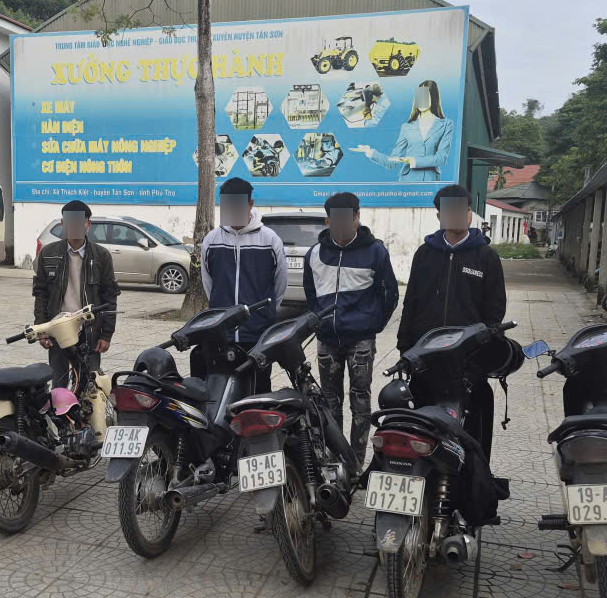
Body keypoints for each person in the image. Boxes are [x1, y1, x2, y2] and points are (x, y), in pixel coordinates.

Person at [397, 183, 507, 459]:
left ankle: (474, 479)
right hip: (426, 357)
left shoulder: (486, 257)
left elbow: (495, 312)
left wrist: (483, 351)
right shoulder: (425, 254)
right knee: (423, 426)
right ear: (440, 216)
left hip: (467, 361)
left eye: (464, 210)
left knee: (471, 426)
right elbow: (411, 303)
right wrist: (405, 347)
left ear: (470, 214)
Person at [303, 192, 399, 461]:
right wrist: (319, 321)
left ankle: (355, 461)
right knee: (329, 402)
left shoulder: (375, 252)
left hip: (361, 341)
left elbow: (389, 294)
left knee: (360, 400)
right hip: (327, 340)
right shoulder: (315, 254)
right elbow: (310, 295)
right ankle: (336, 461)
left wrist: (374, 323)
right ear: (328, 221)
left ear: (357, 217)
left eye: (349, 218)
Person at [31, 199, 119, 387]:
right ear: (63, 224)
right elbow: (41, 294)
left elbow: (110, 297)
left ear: (88, 224)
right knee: (59, 384)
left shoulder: (101, 256)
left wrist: (106, 335)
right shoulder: (48, 253)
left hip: (89, 329)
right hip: (58, 328)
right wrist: (42, 329)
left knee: (89, 385)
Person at [200, 176, 287, 354]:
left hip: (259, 334)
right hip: (221, 332)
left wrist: (266, 313)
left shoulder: (269, 240)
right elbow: (209, 284)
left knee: (257, 374)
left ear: (250, 204)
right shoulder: (212, 240)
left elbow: (280, 284)